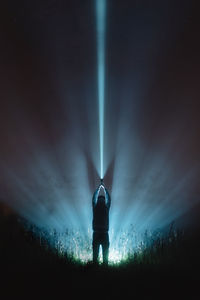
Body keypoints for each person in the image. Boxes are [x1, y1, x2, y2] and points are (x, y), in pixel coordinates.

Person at [92, 181, 111, 265]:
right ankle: (104, 269)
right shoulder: (106, 208)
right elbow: (109, 199)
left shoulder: (95, 207)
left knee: (95, 254)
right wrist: (104, 189)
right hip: (104, 233)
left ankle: (96, 268)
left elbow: (93, 199)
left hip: (97, 233)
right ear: (104, 200)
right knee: (105, 254)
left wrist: (98, 189)